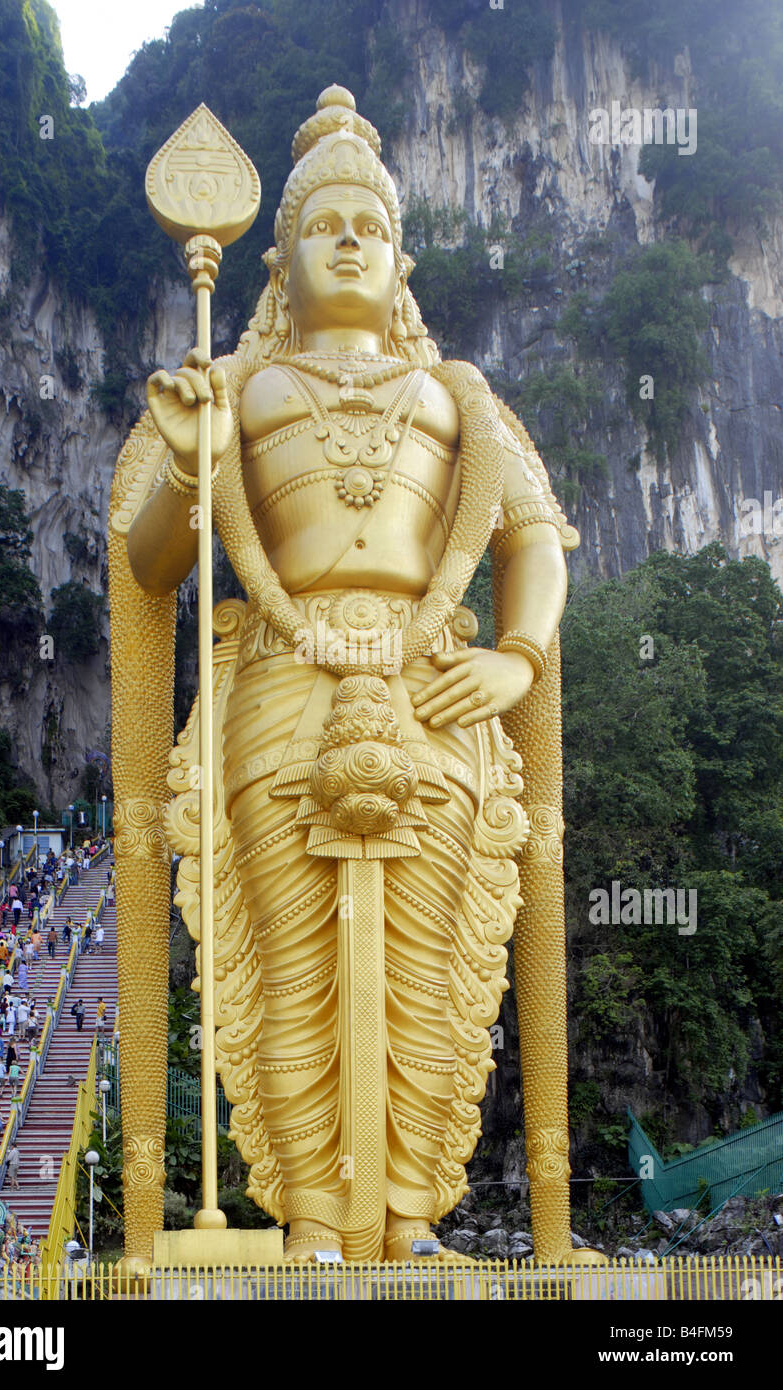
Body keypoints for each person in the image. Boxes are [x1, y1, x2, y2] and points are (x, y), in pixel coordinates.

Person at [123, 86, 577, 1262]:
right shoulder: (239, 389)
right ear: (278, 262)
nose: (347, 241)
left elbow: (532, 539)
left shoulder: (458, 396)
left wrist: (516, 657)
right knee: (290, 961)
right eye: (323, 224)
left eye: (369, 226)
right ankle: (315, 1223)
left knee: (431, 972)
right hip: (282, 674)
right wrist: (186, 467)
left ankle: (415, 1216)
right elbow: (153, 559)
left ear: (402, 260)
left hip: (433, 685)